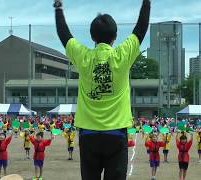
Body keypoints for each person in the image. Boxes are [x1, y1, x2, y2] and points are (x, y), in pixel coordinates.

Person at [55, 0, 150, 179]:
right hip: (116, 132)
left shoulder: (83, 57)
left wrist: (58, 9)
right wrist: (146, 4)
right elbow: (140, 29)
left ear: (92, 37)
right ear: (115, 36)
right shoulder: (122, 55)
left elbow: (64, 35)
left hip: (88, 134)